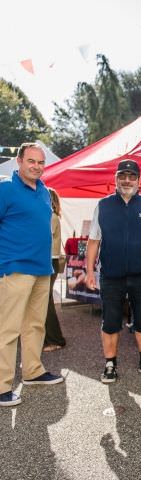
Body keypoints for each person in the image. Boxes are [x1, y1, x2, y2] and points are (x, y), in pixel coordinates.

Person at [0, 143, 64, 407]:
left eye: (40, 162)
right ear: (19, 161)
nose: (37, 166)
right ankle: (2, 385)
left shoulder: (43, 192)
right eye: (31, 161)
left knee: (35, 325)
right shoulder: (5, 189)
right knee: (8, 329)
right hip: (15, 268)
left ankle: (33, 371)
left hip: (41, 268)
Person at [85, 159, 141, 384]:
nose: (127, 180)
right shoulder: (103, 205)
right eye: (122, 176)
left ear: (140, 180)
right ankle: (110, 363)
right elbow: (94, 240)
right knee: (110, 321)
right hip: (111, 275)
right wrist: (89, 271)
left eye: (132, 176)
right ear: (115, 179)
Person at [43, 188, 67, 352]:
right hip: (48, 261)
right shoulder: (51, 216)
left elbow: (43, 237)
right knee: (44, 301)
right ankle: (50, 337)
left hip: (49, 261)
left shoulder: (50, 217)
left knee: (46, 301)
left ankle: (55, 339)